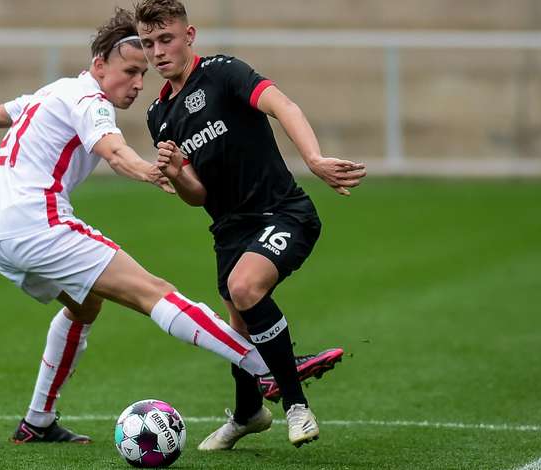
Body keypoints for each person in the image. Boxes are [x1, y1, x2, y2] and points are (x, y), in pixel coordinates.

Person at [0, 8, 331, 445]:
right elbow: (115, 152)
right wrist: (152, 171)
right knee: (155, 292)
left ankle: (38, 420)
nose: (138, 84)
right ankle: (267, 368)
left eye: (143, 74)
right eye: (130, 71)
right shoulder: (89, 101)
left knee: (84, 308)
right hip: (37, 222)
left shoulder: (52, 92)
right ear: (99, 64)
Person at [135, 0, 367, 449]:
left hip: (284, 213)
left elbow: (283, 105)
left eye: (166, 39)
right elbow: (196, 195)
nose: (158, 51)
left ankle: (296, 406)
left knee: (244, 289)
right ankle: (247, 414)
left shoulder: (223, 72)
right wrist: (178, 170)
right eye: (148, 44)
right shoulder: (158, 115)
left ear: (189, 35)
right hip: (229, 231)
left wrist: (314, 159)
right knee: (236, 334)